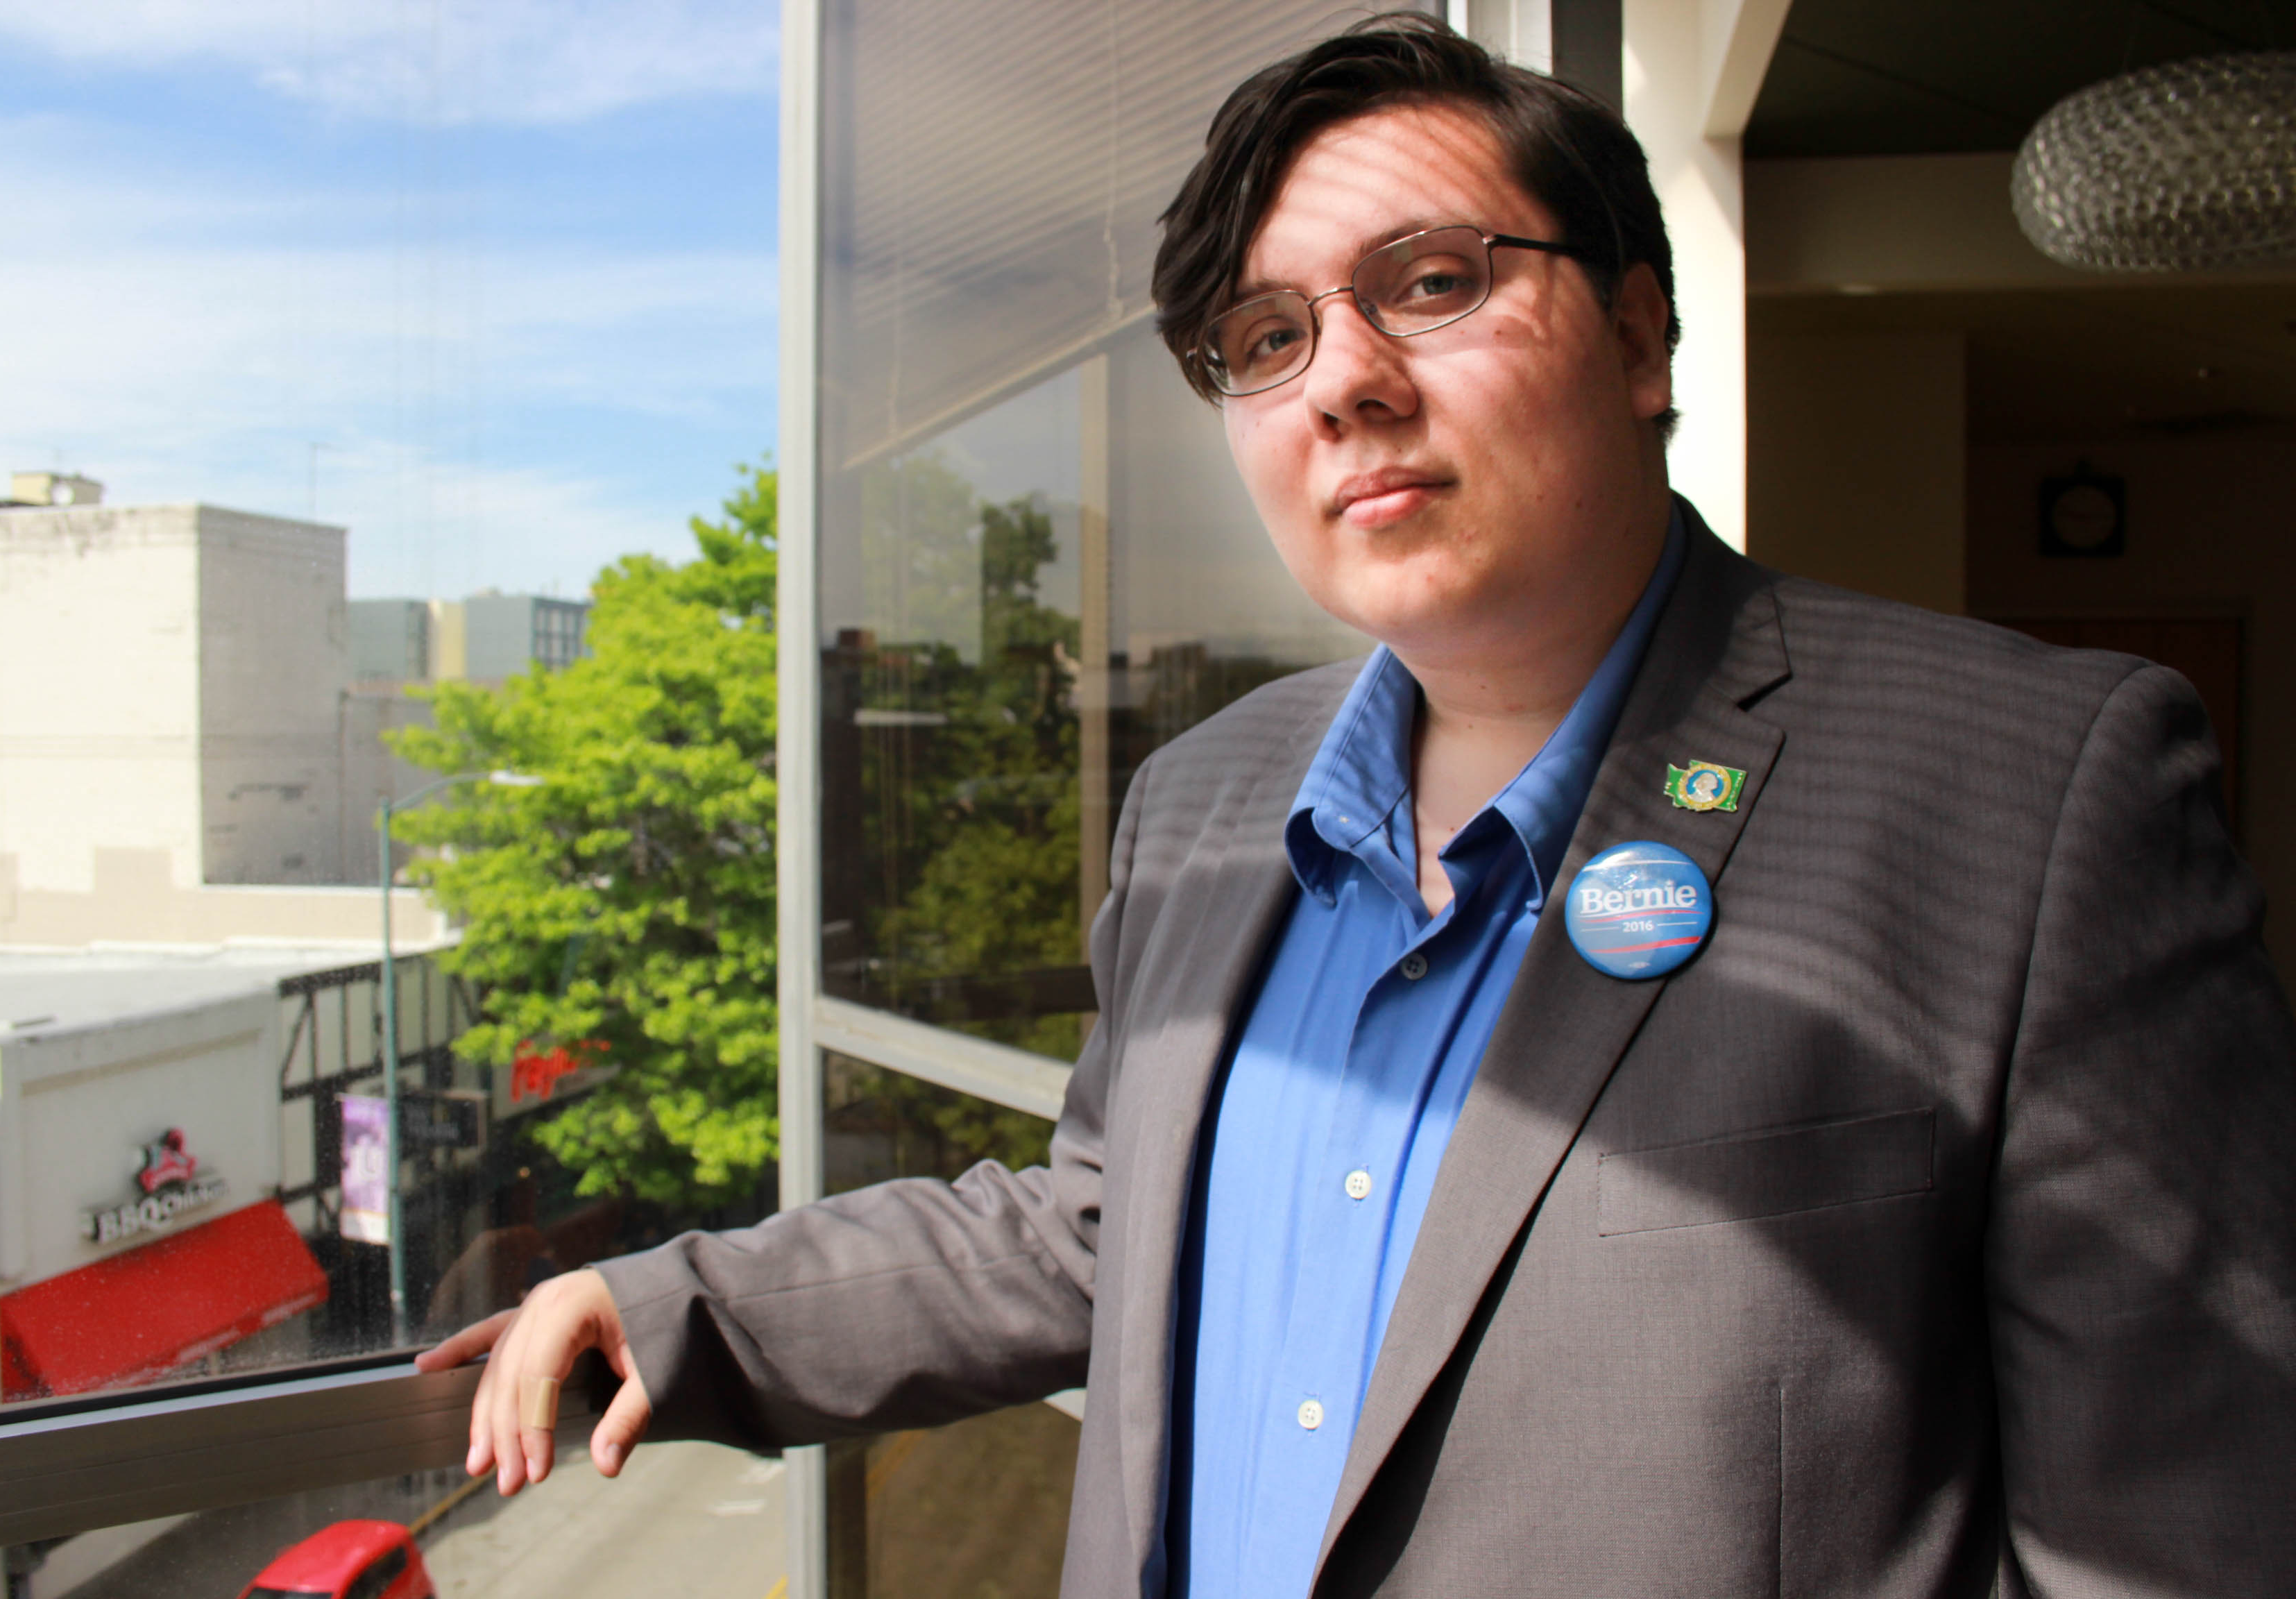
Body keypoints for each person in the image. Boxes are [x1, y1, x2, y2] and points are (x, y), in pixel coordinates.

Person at [421, 18, 2296, 1594]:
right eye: (1265, 341)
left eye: (1432, 283)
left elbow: (2178, 1529)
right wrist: (676, 1304)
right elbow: (1100, 1222)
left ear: (1642, 338)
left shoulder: (2039, 791)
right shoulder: (1206, 800)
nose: (1345, 386)